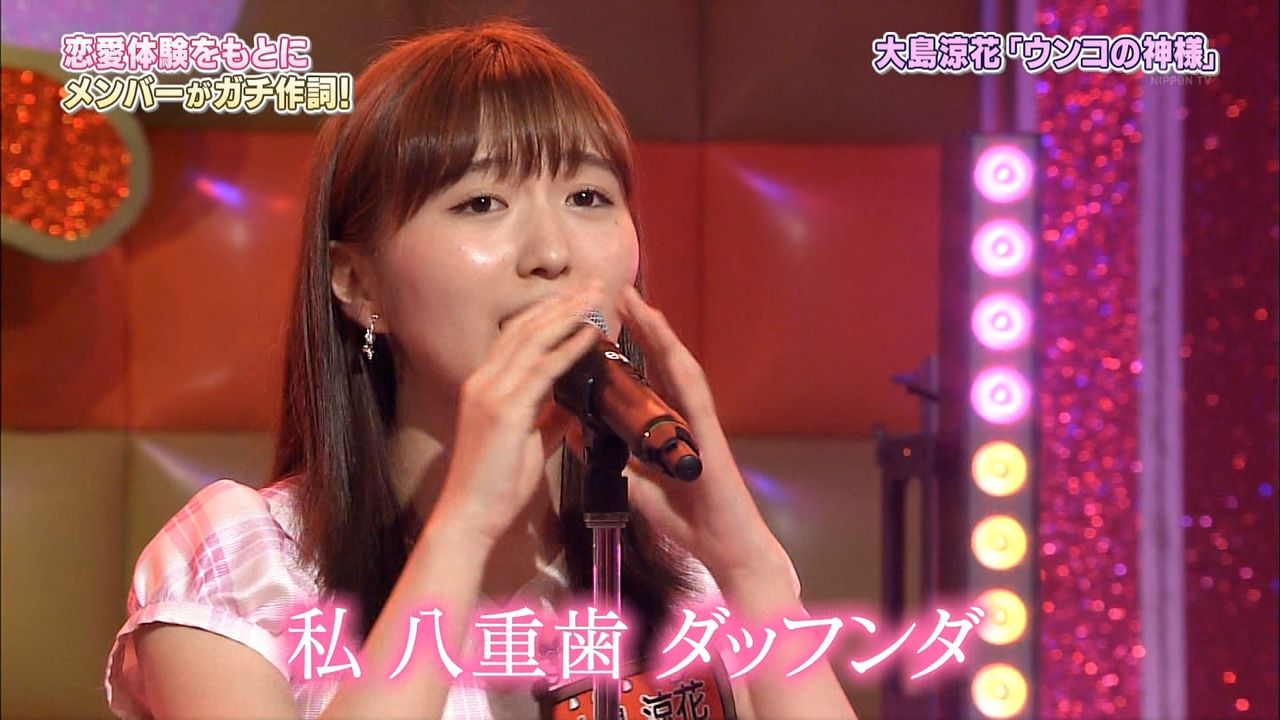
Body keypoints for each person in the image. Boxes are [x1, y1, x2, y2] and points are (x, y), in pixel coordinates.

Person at [105, 20, 858, 720]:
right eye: (481, 202)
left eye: (588, 196)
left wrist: (751, 571)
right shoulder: (252, 560)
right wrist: (463, 530)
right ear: (359, 284)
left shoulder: (692, 583)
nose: (552, 254)